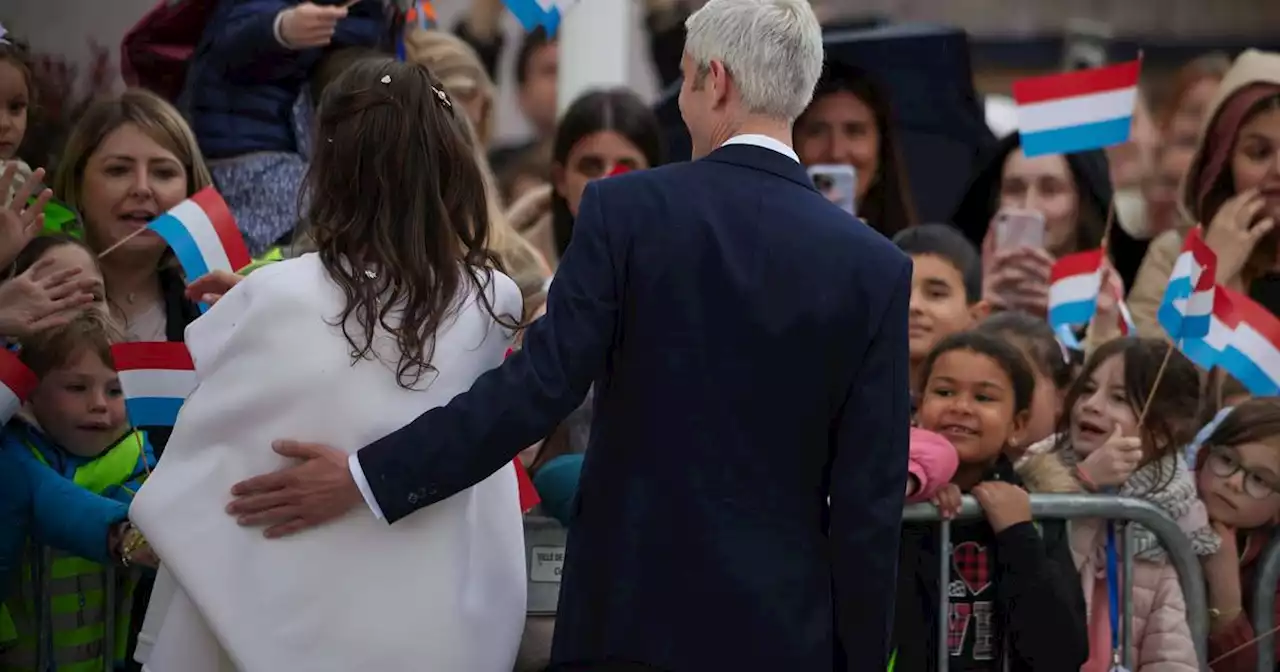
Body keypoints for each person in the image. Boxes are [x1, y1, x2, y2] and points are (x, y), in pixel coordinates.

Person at [227, 0, 913, 670]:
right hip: (785, 631)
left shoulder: (629, 210)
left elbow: (536, 388)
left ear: (717, 80)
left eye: (685, 80)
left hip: (628, 617)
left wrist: (368, 477)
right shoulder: (876, 267)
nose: (680, 106)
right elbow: (869, 500)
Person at [129, 58, 526, 672]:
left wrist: (258, 302)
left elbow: (206, 470)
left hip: (272, 617)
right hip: (435, 623)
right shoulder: (494, 300)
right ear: (451, 168)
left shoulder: (274, 298)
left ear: (331, 168)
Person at [902, 331, 1086, 671]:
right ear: (918, 408)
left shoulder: (1034, 509)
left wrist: (1016, 533)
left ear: (1017, 425)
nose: (960, 407)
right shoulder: (893, 499)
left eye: (984, 398)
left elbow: (1063, 653)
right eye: (944, 392)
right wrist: (922, 503)